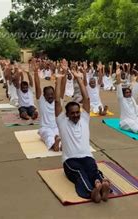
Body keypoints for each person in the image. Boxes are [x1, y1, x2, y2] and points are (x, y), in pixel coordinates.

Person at [54, 66, 111, 203]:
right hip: (70, 161)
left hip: (87, 157)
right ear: (67, 114)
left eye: (77, 112)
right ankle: (92, 191)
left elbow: (87, 99)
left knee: (93, 169)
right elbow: (57, 102)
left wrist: (79, 78)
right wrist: (58, 80)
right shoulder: (62, 122)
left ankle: (100, 184)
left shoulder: (84, 119)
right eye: (72, 113)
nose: (75, 115)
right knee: (80, 173)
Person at [34, 60, 61, 151]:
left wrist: (60, 78)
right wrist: (35, 72)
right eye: (48, 94)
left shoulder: (57, 102)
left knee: (62, 135)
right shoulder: (41, 101)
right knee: (49, 136)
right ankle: (55, 145)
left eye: (52, 94)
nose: (50, 96)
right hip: (45, 128)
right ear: (44, 95)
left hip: (56, 127)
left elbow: (61, 88)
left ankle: (60, 145)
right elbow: (37, 87)